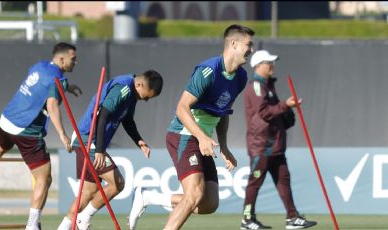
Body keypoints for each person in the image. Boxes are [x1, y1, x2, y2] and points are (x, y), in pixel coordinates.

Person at [128, 24, 255, 230]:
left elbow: (223, 112)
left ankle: (148, 196)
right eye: (248, 45)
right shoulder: (208, 71)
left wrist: (223, 146)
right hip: (184, 135)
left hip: (202, 139)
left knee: (209, 203)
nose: (251, 50)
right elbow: (181, 108)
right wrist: (203, 137)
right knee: (194, 194)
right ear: (233, 44)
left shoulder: (240, 78)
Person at [0, 42, 81, 230]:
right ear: (61, 59)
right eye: (73, 59)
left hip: (7, 120)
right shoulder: (57, 80)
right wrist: (63, 135)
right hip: (27, 130)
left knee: (0, 148)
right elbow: (52, 105)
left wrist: (66, 86)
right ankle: (31, 226)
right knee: (45, 178)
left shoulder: (40, 66)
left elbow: (47, 82)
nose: (76, 62)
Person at [57, 70, 163, 230]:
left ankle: (64, 227)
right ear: (140, 84)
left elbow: (127, 120)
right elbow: (103, 115)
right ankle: (83, 218)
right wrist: (99, 150)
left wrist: (139, 141)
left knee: (87, 195)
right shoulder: (124, 88)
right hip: (88, 140)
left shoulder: (132, 94)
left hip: (88, 141)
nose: (145, 100)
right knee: (118, 182)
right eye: (146, 96)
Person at [240, 50, 317, 229]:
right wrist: (285, 105)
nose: (272, 65)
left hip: (274, 145)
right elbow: (264, 113)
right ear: (258, 66)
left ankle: (292, 218)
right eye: (269, 62)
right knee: (255, 183)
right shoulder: (256, 87)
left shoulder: (268, 87)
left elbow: (274, 115)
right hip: (261, 146)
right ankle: (247, 219)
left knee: (284, 181)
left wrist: (288, 114)